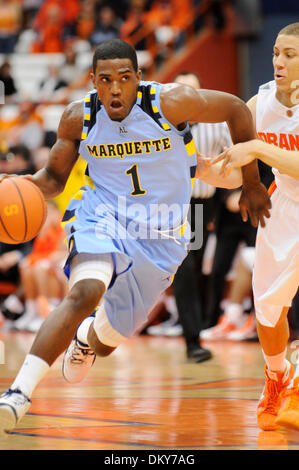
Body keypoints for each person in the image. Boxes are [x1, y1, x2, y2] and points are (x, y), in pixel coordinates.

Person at [0, 38, 270, 435]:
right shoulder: (79, 117)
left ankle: (87, 337)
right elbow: (54, 179)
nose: (114, 88)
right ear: (92, 80)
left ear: (139, 78)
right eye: (105, 79)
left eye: (124, 78)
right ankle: (18, 393)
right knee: (85, 291)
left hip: (164, 235)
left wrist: (251, 181)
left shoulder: (169, 102)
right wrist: (16, 186)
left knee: (107, 341)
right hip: (102, 214)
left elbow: (233, 107)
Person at [212, 23, 299, 431]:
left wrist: (260, 147)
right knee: (267, 307)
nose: (279, 62)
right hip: (283, 206)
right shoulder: (259, 103)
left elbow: (258, 151)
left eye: (290, 55)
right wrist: (197, 168)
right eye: (276, 53)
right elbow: (233, 170)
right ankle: (277, 376)